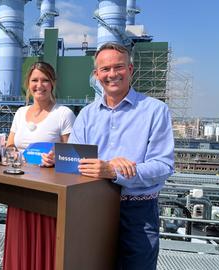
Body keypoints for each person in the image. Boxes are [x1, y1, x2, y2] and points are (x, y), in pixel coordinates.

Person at [69, 42, 174, 270]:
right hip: (91, 208)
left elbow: (163, 166)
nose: (112, 74)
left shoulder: (155, 111)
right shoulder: (86, 115)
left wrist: (115, 171)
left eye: (119, 67)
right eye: (105, 69)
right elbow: (74, 161)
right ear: (96, 75)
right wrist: (57, 158)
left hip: (137, 212)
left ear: (131, 70)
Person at [3, 61, 76, 270]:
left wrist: (56, 159)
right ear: (28, 84)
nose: (39, 85)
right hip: (18, 189)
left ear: (52, 83)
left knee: (45, 248)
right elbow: (9, 147)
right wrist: (14, 154)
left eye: (45, 80)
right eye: (35, 80)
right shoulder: (19, 113)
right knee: (20, 244)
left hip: (47, 195)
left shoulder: (63, 114)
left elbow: (72, 156)